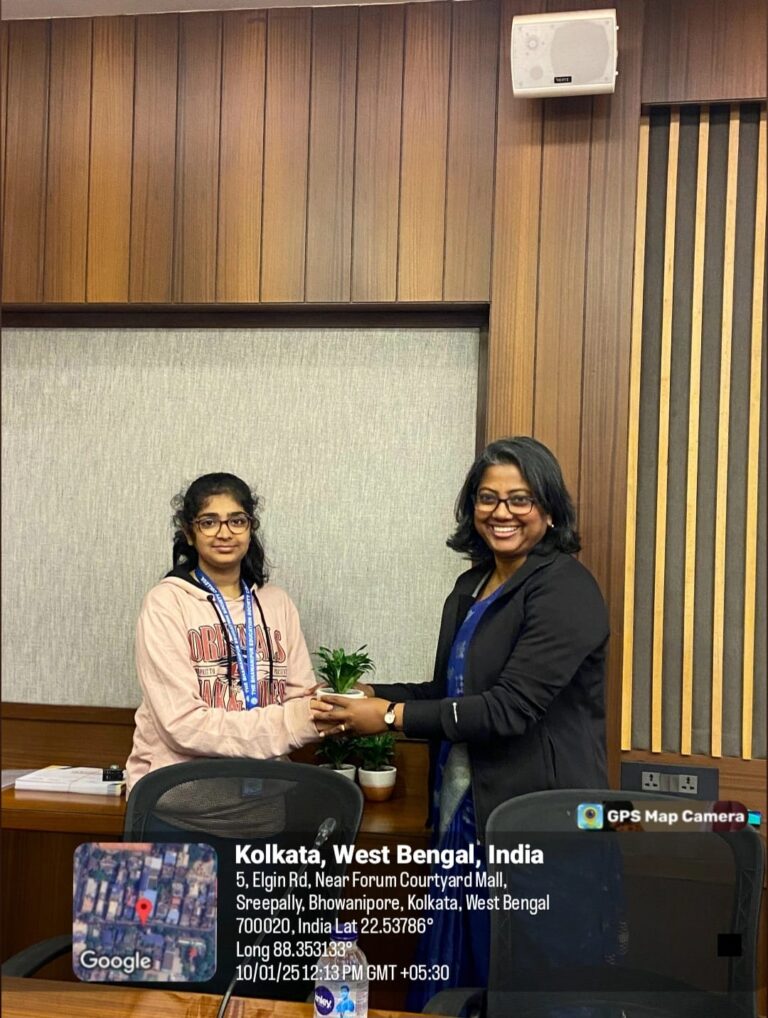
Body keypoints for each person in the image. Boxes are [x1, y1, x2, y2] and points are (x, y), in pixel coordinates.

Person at [311, 437, 610, 1007]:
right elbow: (449, 695)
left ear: (549, 510)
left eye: (520, 499)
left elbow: (508, 709)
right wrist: (373, 695)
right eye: (487, 497)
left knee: (531, 993)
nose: (502, 512)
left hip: (537, 831)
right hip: (462, 819)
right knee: (456, 987)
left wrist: (390, 717)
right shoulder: (470, 586)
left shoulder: (567, 588)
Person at [126, 472, 338, 793]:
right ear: (189, 532)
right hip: (181, 798)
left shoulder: (277, 603)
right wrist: (293, 721)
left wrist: (327, 706)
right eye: (209, 522)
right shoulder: (166, 603)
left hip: (264, 795)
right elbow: (181, 726)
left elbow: (298, 698)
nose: (224, 533)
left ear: (251, 528)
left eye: (237, 521)